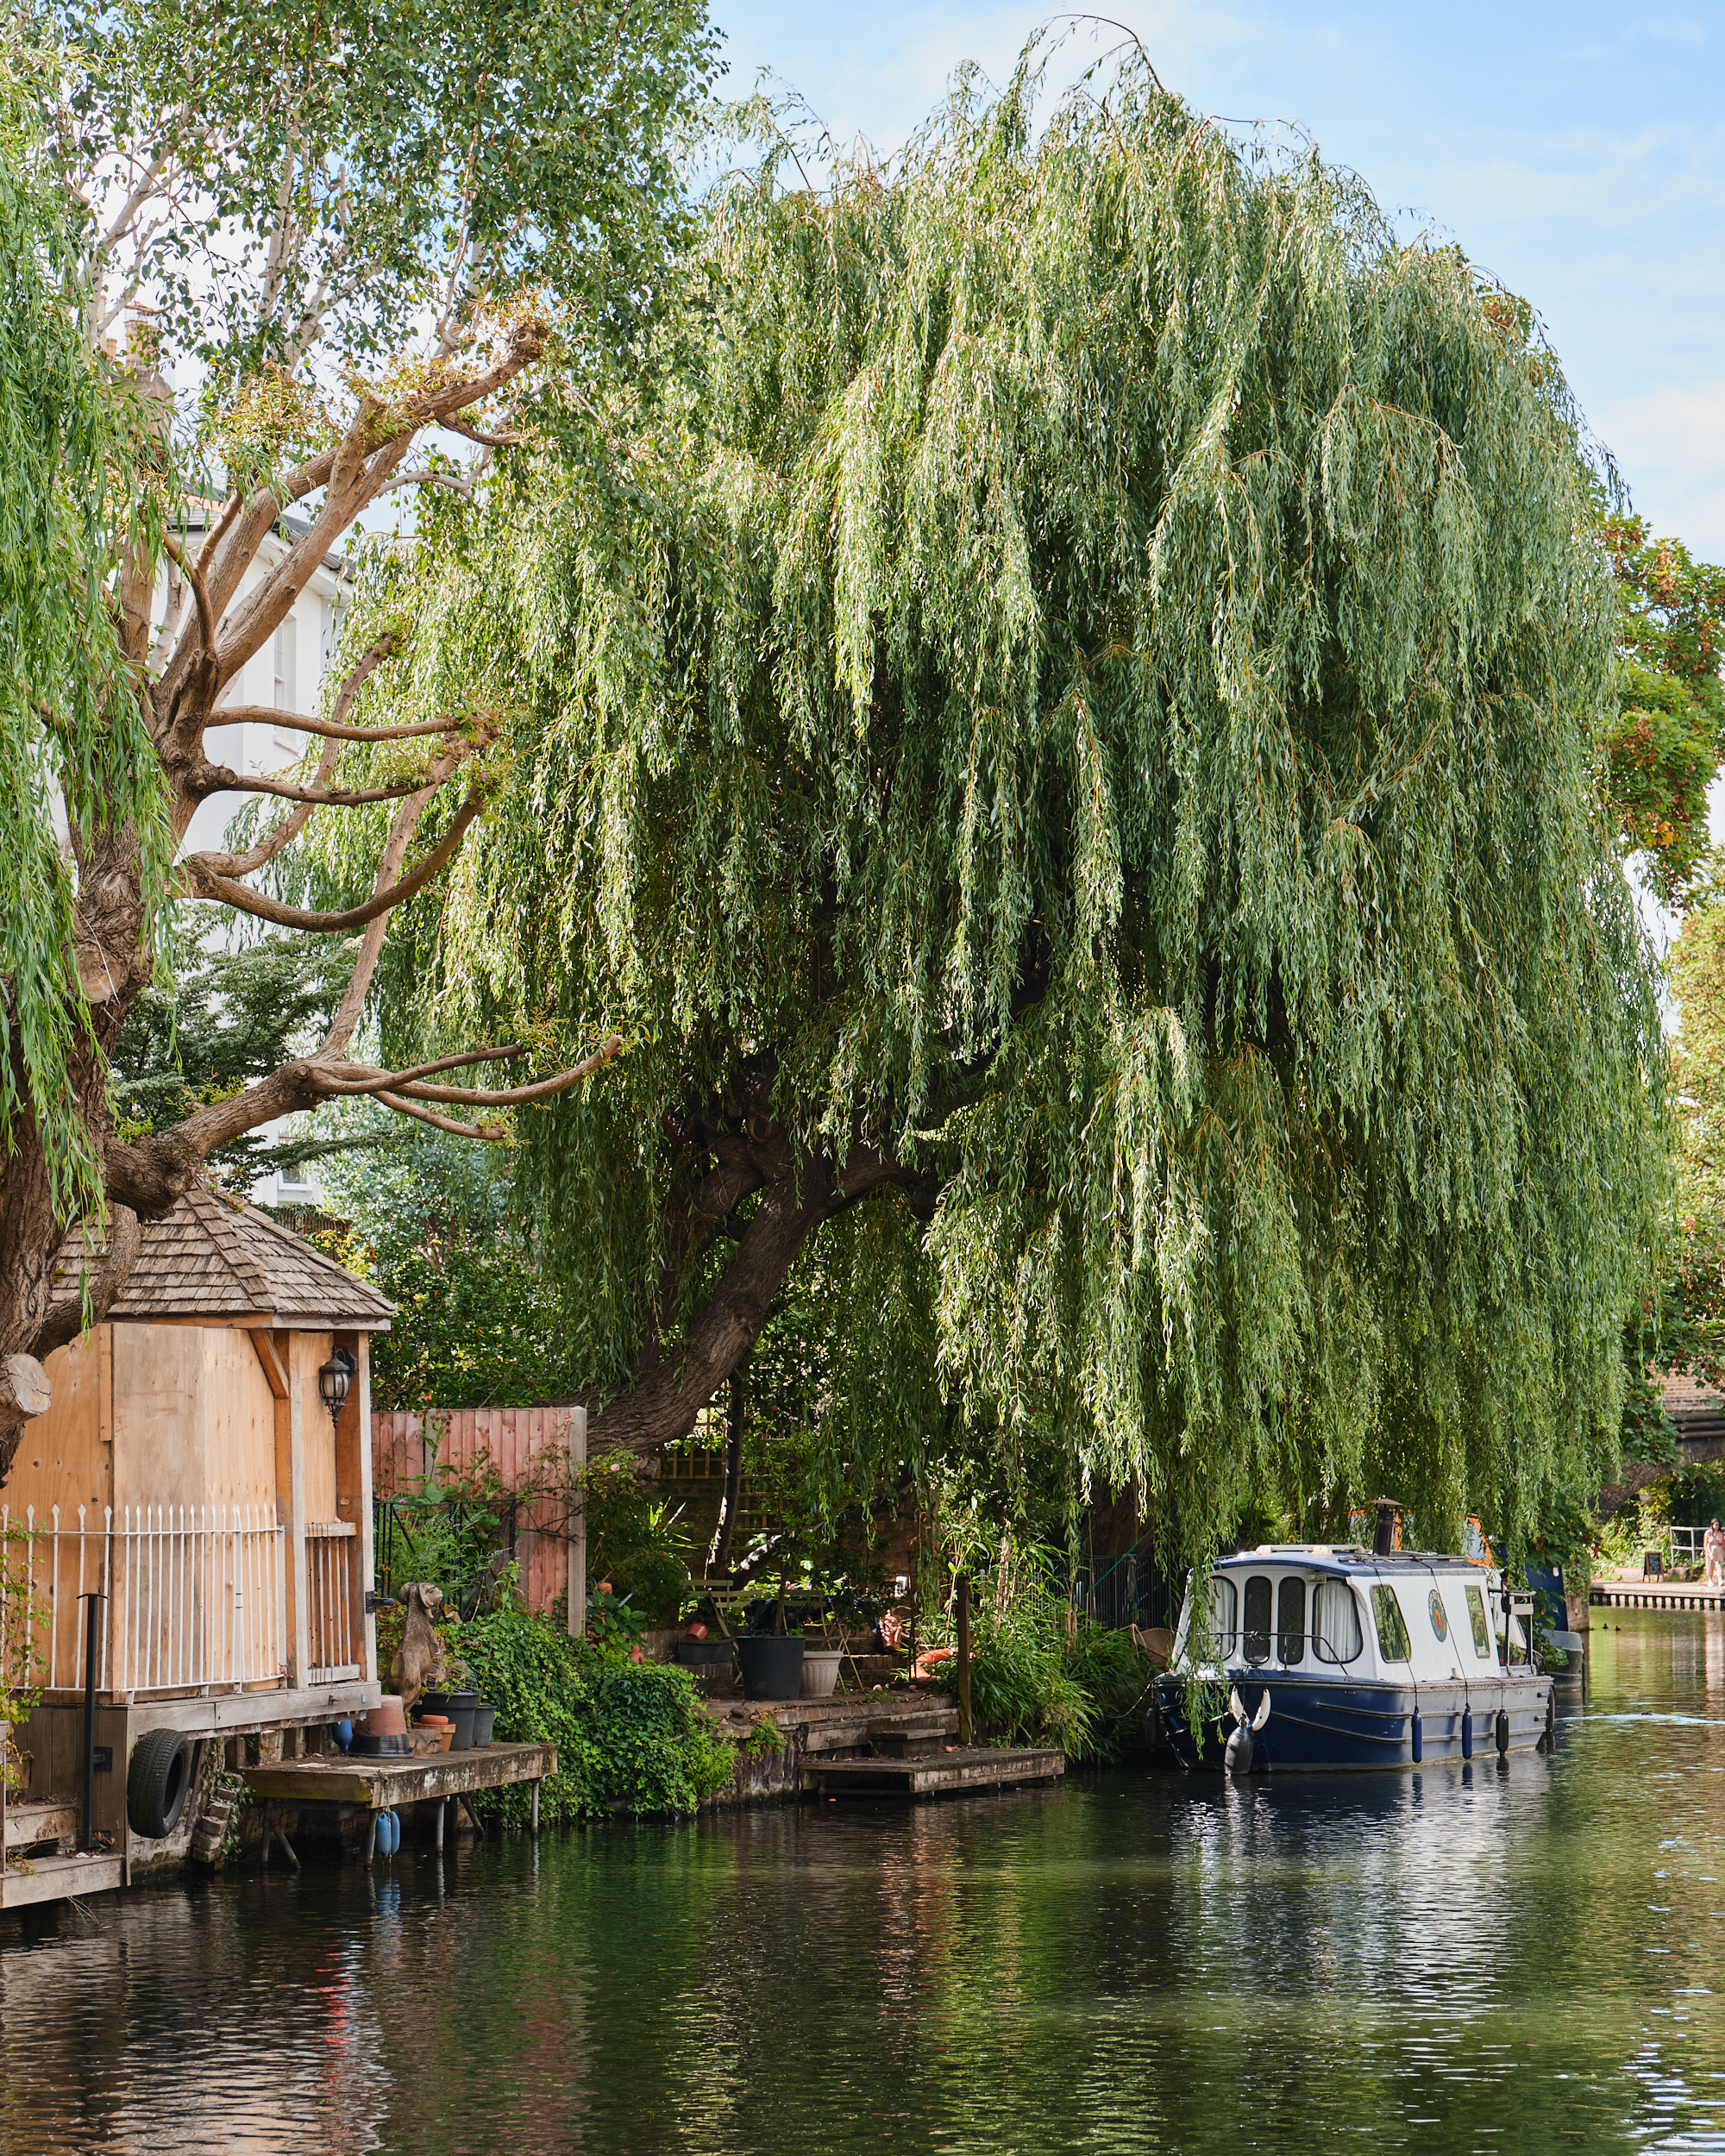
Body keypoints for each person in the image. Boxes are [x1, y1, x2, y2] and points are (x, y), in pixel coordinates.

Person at [1703, 1520, 1725, 1589]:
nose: (1717, 1526)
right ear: (1712, 1525)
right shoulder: (1708, 1533)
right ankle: (1710, 1580)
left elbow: (1723, 1544)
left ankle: (1720, 1579)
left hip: (1718, 1551)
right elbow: (1705, 1543)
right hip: (1711, 1551)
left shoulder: (1721, 1534)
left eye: (1718, 1525)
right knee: (1710, 1565)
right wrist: (1707, 1551)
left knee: (1719, 1565)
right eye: (1715, 1524)